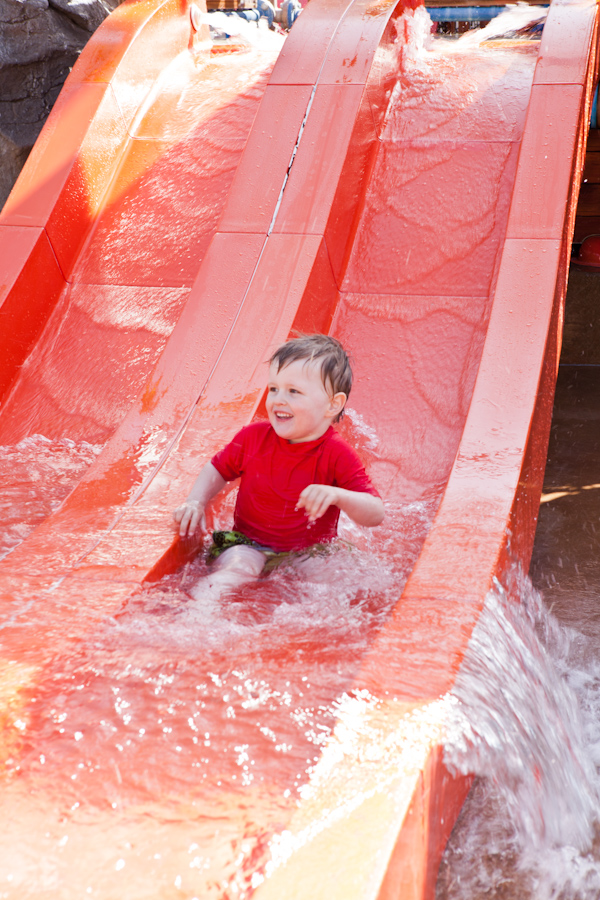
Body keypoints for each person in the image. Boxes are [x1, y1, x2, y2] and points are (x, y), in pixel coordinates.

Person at [173, 334, 384, 601]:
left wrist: (338, 495)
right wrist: (195, 501)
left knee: (336, 583)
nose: (278, 400)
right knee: (237, 570)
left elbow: (375, 512)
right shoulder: (253, 438)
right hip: (248, 543)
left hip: (308, 551)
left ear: (333, 404)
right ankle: (198, 616)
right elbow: (217, 469)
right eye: (274, 389)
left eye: (293, 391)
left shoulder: (336, 453)